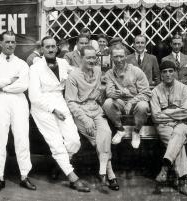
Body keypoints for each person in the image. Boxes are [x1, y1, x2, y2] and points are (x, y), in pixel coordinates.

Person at [28, 36, 90, 192]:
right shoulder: (35, 68)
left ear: (57, 48)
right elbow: (34, 97)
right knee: (56, 142)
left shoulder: (63, 63)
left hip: (60, 102)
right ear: (41, 49)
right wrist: (53, 110)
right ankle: (72, 177)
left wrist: (93, 69)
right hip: (42, 107)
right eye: (47, 46)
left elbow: (78, 71)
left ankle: (60, 164)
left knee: (74, 141)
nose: (50, 49)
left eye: (53, 46)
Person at [0, 31, 36, 193]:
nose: (11, 45)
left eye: (13, 42)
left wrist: (2, 85)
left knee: (22, 137)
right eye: (7, 42)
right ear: (0, 43)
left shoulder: (22, 64)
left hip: (18, 101)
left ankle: (24, 176)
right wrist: (9, 81)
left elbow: (23, 85)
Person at [65, 46, 120, 192]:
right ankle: (109, 173)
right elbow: (71, 102)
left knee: (106, 133)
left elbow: (102, 88)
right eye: (88, 57)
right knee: (98, 139)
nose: (92, 60)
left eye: (94, 57)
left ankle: (103, 172)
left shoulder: (97, 71)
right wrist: (85, 119)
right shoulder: (73, 76)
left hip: (96, 110)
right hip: (81, 112)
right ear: (81, 58)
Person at [150, 60, 187, 196]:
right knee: (177, 141)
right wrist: (175, 114)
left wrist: (166, 112)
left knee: (179, 134)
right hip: (164, 125)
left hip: (182, 124)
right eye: (164, 72)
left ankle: (165, 168)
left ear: (175, 72)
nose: (168, 74)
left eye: (171, 71)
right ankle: (182, 180)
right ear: (161, 75)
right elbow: (156, 116)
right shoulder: (156, 91)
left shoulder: (184, 88)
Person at [103, 44, 151, 149]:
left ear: (125, 56)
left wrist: (131, 101)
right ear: (111, 57)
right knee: (107, 103)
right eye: (116, 57)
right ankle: (120, 130)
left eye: (121, 56)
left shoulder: (136, 71)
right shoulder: (109, 73)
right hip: (120, 103)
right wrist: (117, 93)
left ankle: (136, 131)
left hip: (135, 103)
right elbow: (109, 92)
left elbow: (146, 93)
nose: (119, 59)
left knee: (143, 105)